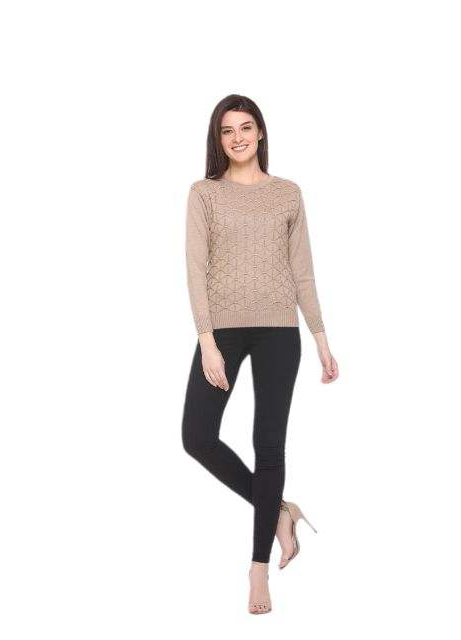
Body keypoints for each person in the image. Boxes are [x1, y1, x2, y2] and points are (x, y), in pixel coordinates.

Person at [181, 94, 339, 614]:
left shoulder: (288, 193)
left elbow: (303, 271)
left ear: (261, 132)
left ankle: (258, 569)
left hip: (279, 331)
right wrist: (207, 341)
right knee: (197, 437)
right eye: (227, 130)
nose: (238, 138)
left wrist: (320, 339)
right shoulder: (204, 193)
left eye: (246, 127)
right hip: (223, 331)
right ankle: (278, 510)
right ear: (218, 139)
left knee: (268, 445)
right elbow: (195, 268)